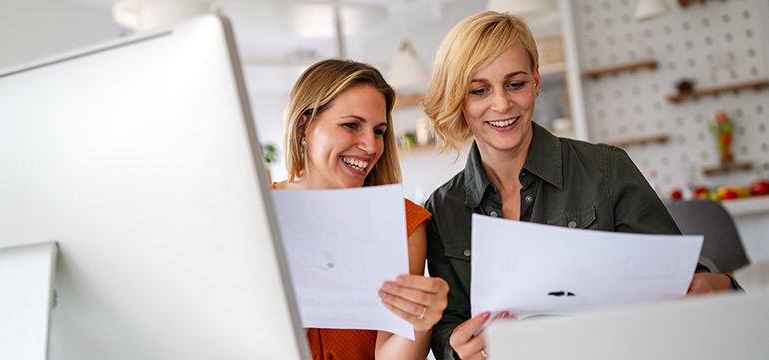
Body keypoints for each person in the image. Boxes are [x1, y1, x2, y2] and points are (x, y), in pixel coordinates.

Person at [420, 11, 740, 360]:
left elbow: (683, 281)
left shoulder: (605, 169)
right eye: (479, 90)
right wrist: (454, 347)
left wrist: (719, 284)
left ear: (537, 81)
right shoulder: (441, 209)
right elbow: (447, 327)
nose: (502, 103)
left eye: (516, 84)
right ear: (459, 100)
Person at [272, 59, 449, 360]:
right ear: (304, 127)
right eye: (351, 125)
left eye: (379, 131)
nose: (371, 146)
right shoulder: (261, 213)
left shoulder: (402, 223)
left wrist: (419, 323)